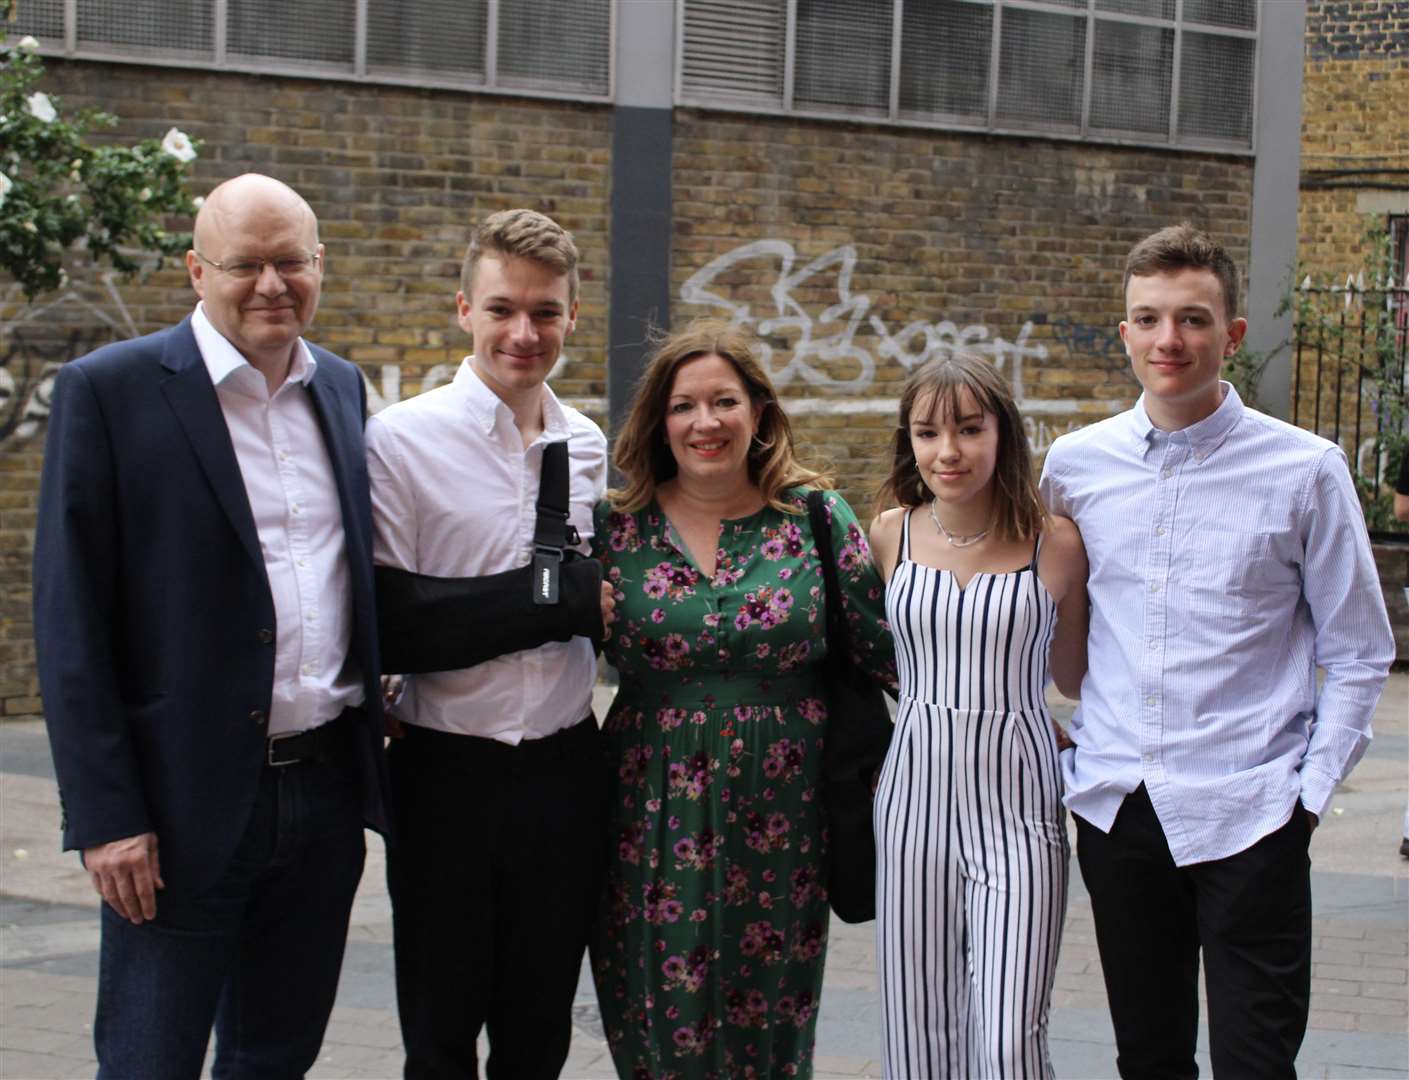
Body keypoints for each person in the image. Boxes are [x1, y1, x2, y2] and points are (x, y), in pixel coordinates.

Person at [32, 173, 390, 1078]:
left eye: (291, 262)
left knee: (275, 1057)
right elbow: (71, 619)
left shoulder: (341, 390)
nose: (273, 284)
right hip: (177, 810)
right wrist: (106, 816)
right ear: (197, 270)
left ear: (321, 265)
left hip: (320, 794)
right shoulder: (109, 392)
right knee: (150, 1060)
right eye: (246, 265)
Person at [1040, 223, 1395, 1079]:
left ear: (1230, 334)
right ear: (1123, 330)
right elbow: (1048, 620)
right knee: (1149, 1058)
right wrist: (1056, 741)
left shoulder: (1305, 470)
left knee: (1256, 1062)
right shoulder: (1071, 467)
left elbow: (1357, 650)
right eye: (1149, 319)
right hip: (1120, 808)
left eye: (1193, 319)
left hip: (1252, 811)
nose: (1170, 340)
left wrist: (1306, 798)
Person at [590, 318, 896, 1079]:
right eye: (684, 406)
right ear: (658, 422)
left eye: (723, 401)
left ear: (757, 411)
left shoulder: (817, 521)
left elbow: (892, 654)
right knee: (659, 1018)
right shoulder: (613, 527)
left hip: (786, 817)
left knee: (771, 1017)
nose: (706, 423)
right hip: (647, 811)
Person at [365, 208, 609, 1079]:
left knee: (538, 1031)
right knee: (438, 1032)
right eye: (502, 308)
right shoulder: (399, 440)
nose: (523, 332)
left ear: (572, 317)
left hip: (562, 769)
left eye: (545, 312)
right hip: (443, 772)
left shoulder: (585, 446)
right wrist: (556, 605)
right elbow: (395, 623)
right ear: (463, 309)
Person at [867, 353, 1087, 1078]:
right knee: (917, 1028)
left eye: (968, 428)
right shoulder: (889, 533)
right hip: (911, 801)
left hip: (1019, 805)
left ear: (1003, 434)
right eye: (927, 432)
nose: (948, 451)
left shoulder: (1053, 542)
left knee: (1007, 1037)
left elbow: (1077, 674)